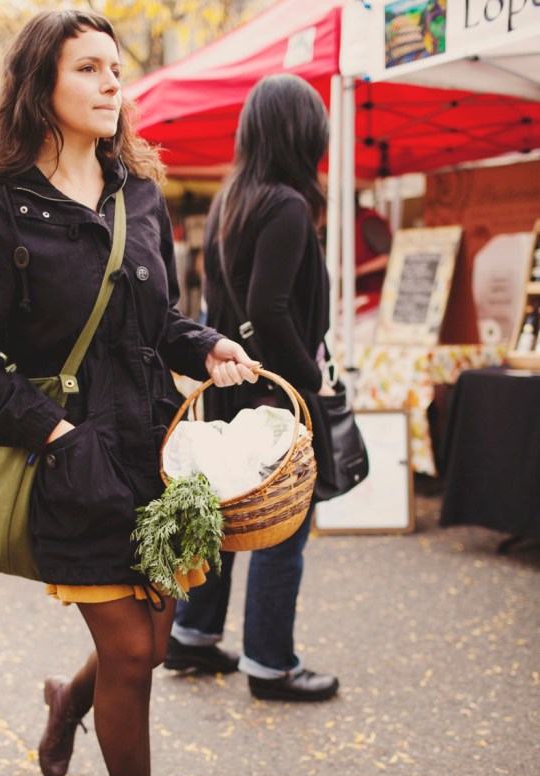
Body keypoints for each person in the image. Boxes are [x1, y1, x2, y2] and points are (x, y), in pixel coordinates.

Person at [0, 9, 257, 776]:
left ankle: (66, 703)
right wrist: (56, 436)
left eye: (118, 68)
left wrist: (206, 344)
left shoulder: (138, 193)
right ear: (43, 87)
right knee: (132, 650)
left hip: (151, 448)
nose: (115, 83)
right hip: (68, 456)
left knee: (149, 641)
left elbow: (157, 322)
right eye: (91, 69)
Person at [164, 74, 340, 704]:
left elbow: (225, 302)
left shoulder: (231, 201)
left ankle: (193, 633)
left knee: (227, 514)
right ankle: (270, 663)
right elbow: (269, 308)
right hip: (273, 394)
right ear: (302, 133)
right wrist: (309, 379)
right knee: (280, 526)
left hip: (230, 387)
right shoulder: (287, 205)